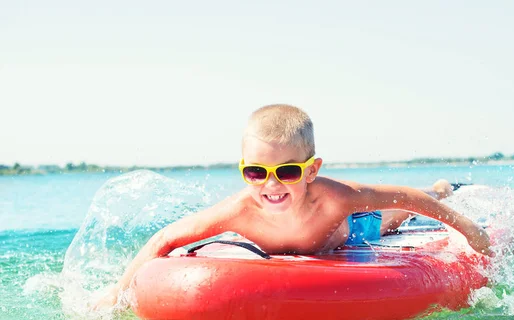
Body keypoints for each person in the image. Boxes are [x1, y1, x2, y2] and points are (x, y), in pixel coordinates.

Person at [95, 104, 493, 309]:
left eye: (286, 171)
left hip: (351, 231)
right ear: (242, 170)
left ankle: (443, 187)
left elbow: (405, 196)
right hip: (287, 243)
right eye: (256, 172)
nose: (270, 185)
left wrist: (468, 229)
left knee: (394, 218)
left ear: (311, 170)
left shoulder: (336, 196)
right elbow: (166, 238)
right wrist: (117, 291)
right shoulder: (237, 213)